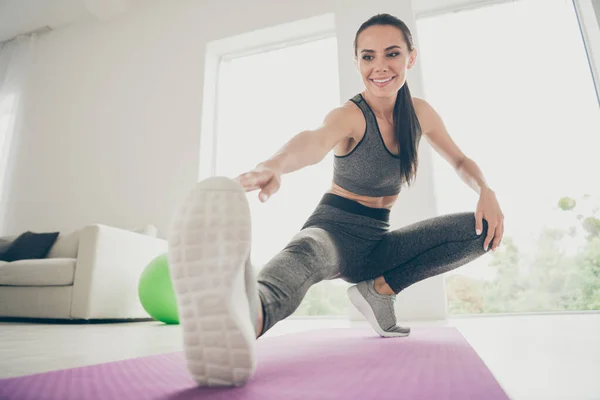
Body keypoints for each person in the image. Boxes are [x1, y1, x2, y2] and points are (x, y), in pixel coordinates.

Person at [167, 13, 504, 388]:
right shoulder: (351, 115)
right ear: (357, 61)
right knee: (305, 255)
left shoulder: (419, 114)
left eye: (391, 54)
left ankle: (378, 291)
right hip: (333, 231)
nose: (379, 67)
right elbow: (312, 141)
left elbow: (459, 159)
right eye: (367, 56)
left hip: (377, 244)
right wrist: (273, 165)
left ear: (410, 57)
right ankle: (249, 317)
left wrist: (484, 190)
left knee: (481, 231)